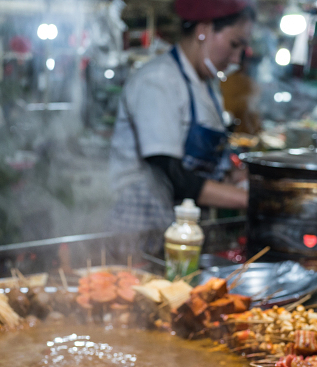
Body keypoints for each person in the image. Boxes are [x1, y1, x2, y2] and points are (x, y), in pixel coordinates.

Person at [108, 0, 253, 235]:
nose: (236, 59)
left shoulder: (208, 87)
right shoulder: (158, 81)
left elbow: (210, 161)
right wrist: (246, 198)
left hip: (186, 230)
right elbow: (170, 175)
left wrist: (236, 174)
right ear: (204, 30)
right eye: (234, 44)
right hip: (142, 229)